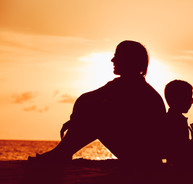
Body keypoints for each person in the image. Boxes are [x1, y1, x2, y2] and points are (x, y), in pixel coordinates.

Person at [28, 40, 166, 167]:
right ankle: (61, 153)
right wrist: (77, 119)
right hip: (142, 154)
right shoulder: (128, 85)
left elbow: (86, 101)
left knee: (95, 120)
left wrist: (76, 120)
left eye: (117, 56)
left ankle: (60, 154)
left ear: (128, 60)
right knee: (94, 116)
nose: (112, 60)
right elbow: (87, 99)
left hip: (141, 157)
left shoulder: (132, 88)